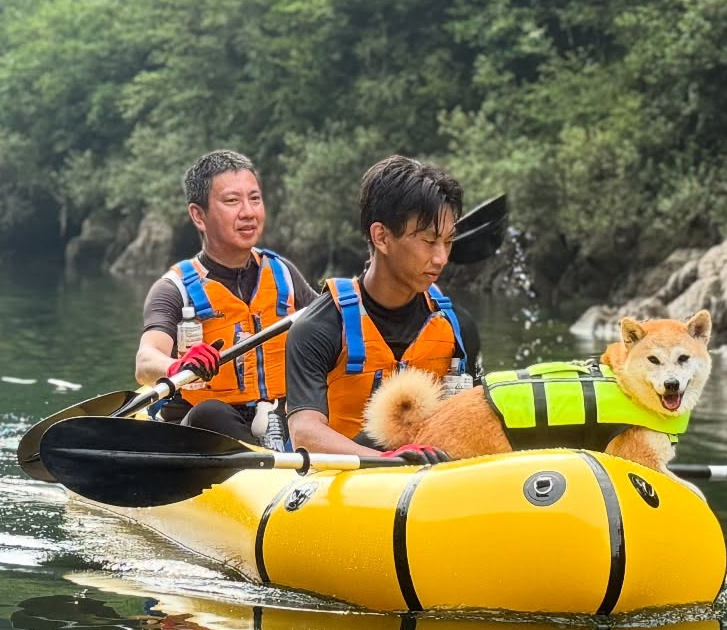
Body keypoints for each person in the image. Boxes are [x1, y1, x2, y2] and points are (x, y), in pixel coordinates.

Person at [284, 155, 481, 465]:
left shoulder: (458, 326)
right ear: (382, 237)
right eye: (429, 241)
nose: (441, 258)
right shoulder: (318, 327)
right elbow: (304, 434)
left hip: (434, 479)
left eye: (448, 241)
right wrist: (388, 460)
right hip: (340, 480)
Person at [134, 150, 319, 447]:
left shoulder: (284, 274)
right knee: (211, 413)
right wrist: (176, 366)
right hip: (207, 425)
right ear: (199, 215)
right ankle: (264, 464)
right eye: (232, 201)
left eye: (255, 199)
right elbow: (145, 362)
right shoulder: (173, 289)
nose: (248, 212)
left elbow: (334, 330)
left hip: (277, 416)